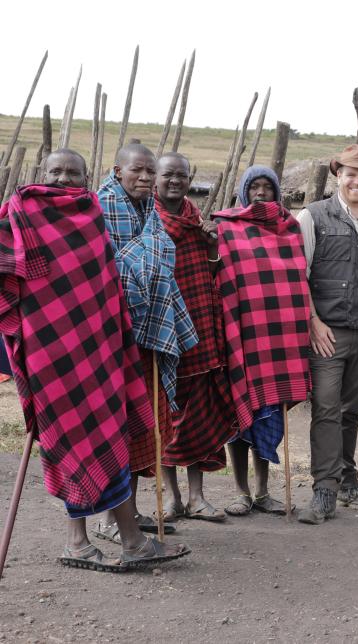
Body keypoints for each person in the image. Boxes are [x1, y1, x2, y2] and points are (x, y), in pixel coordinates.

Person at [0, 148, 188, 571]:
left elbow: (106, 283)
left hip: (97, 350)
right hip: (50, 354)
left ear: (87, 179)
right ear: (41, 173)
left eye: (73, 173)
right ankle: (84, 542)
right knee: (69, 442)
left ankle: (115, 542)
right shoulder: (18, 214)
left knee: (106, 439)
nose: (64, 180)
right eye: (56, 171)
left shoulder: (91, 216)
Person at [95, 144, 198, 542]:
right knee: (115, 427)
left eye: (149, 172)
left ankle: (130, 513)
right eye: (137, 170)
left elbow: (158, 259)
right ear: (117, 170)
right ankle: (107, 520)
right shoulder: (100, 209)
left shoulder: (148, 212)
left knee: (144, 424)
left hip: (148, 333)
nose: (145, 178)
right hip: (110, 336)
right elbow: (102, 267)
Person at [295, 144, 358, 524]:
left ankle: (348, 480)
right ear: (338, 174)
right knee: (325, 406)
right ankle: (324, 489)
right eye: (350, 173)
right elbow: (299, 274)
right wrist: (313, 322)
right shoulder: (314, 216)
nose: (357, 180)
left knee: (352, 410)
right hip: (327, 332)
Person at [217, 165, 311, 517]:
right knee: (239, 419)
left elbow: (294, 283)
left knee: (269, 414)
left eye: (266, 188)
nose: (260, 194)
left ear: (276, 193)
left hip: (276, 341)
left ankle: (263, 490)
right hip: (241, 336)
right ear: (244, 192)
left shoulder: (289, 229)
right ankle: (240, 491)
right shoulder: (228, 228)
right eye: (253, 188)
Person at [154, 152, 236, 523]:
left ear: (190, 179)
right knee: (166, 417)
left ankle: (198, 497)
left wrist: (213, 245)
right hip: (161, 332)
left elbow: (213, 272)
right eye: (168, 175)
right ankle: (171, 498)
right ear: (155, 178)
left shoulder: (198, 222)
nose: (175, 181)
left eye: (181, 176)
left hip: (200, 330)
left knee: (200, 414)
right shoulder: (146, 219)